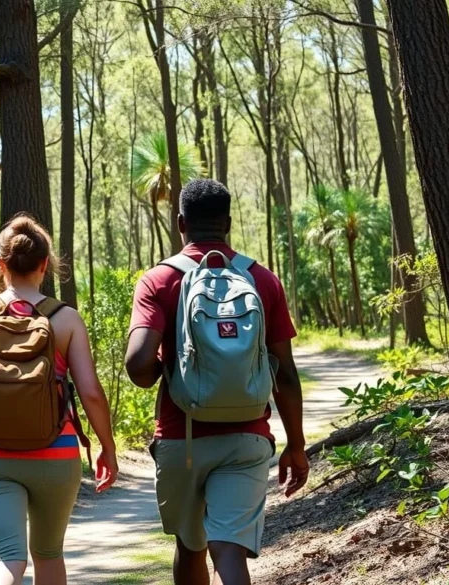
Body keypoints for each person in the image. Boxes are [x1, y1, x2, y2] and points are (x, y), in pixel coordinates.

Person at [125, 179, 309, 585]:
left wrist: (168, 365)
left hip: (181, 436)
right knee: (228, 549)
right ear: (227, 223)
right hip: (247, 438)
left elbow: (138, 367)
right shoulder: (262, 280)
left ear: (180, 224)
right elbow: (286, 374)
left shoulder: (159, 281)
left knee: (191, 546)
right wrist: (296, 446)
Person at [0, 215, 119, 585]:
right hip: (57, 453)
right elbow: (90, 394)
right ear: (44, 265)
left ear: (1, 265)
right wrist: (107, 447)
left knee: (6, 559)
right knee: (49, 554)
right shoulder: (66, 319)